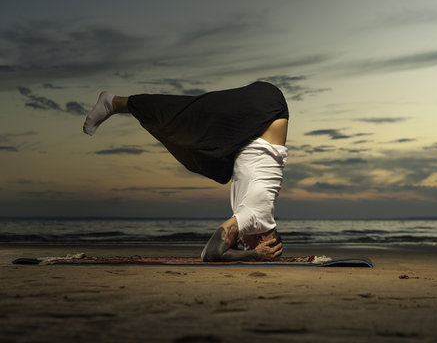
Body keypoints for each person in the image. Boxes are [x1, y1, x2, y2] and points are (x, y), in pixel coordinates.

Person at [83, 81, 288, 262]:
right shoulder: (255, 216)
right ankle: (113, 102)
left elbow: (229, 247)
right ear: (263, 239)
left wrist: (247, 248)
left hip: (257, 123)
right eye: (246, 245)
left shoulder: (256, 214)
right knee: (186, 118)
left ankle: (115, 103)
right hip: (266, 108)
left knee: (202, 153)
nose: (242, 244)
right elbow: (211, 253)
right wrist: (254, 255)